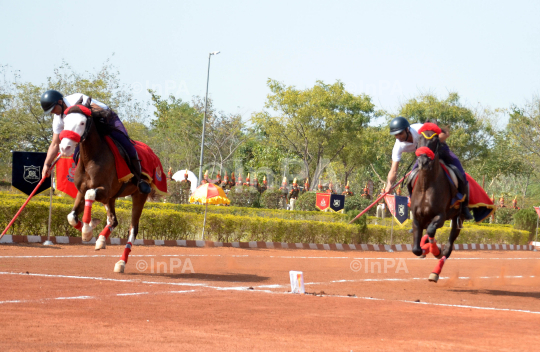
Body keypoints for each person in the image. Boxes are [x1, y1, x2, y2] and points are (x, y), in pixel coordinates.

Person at [40, 90, 151, 194]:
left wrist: (82, 112)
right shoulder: (58, 119)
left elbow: (100, 111)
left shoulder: (77, 98)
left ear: (60, 102)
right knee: (77, 156)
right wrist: (46, 164)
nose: (52, 113)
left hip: (107, 119)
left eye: (53, 109)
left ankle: (138, 179)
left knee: (126, 143)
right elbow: (55, 143)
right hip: (87, 131)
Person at [385, 116, 473, 220]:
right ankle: (414, 204)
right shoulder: (398, 146)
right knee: (412, 178)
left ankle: (464, 206)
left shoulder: (419, 129)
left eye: (400, 133)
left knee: (460, 171)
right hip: (423, 156)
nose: (398, 137)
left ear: (407, 129)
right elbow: (394, 169)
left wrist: (431, 142)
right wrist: (389, 184)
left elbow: (445, 133)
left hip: (440, 148)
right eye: (396, 135)